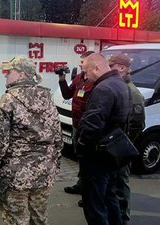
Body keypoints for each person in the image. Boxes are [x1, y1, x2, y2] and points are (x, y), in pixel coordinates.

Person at [0, 56, 63, 225]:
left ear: (21, 75)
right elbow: (57, 138)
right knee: (39, 219)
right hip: (44, 173)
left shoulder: (6, 101)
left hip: (14, 177)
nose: (5, 75)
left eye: (9, 72)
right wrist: (54, 167)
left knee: (17, 221)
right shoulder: (47, 97)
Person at [76, 53, 130, 225]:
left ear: (97, 68)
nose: (85, 76)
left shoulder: (103, 88)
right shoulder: (120, 83)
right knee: (109, 197)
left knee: (94, 203)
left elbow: (93, 125)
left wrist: (82, 148)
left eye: (86, 71)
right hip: (110, 152)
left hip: (96, 155)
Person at [108, 54, 145, 225]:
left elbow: (138, 124)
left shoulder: (132, 92)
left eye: (111, 65)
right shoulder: (117, 87)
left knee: (121, 183)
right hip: (112, 147)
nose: (108, 69)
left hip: (121, 149)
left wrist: (121, 146)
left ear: (122, 67)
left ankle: (123, 218)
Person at [59, 51, 94, 199]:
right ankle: (82, 185)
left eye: (82, 62)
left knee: (89, 159)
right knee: (80, 156)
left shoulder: (96, 81)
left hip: (88, 126)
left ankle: (89, 193)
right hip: (76, 124)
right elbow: (67, 95)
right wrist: (62, 79)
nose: (80, 65)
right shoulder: (80, 77)